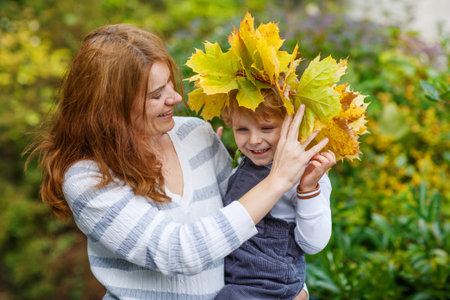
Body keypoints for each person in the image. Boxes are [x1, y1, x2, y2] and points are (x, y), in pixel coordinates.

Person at [26, 23, 329, 299]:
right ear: (111, 107)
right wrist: (278, 180)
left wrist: (291, 290)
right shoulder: (88, 178)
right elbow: (178, 252)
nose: (175, 98)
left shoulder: (195, 134)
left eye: (170, 84)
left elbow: (248, 224)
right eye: (156, 95)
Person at [215, 89, 336, 300]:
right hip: (237, 277)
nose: (253, 140)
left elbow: (314, 244)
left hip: (272, 285)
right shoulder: (243, 165)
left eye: (267, 127)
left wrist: (308, 190)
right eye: (242, 129)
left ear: (294, 126)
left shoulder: (306, 174)